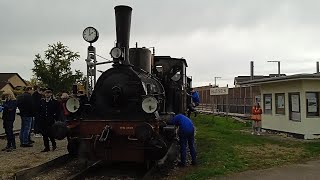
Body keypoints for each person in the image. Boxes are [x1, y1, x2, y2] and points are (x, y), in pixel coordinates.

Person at [38, 88, 61, 152]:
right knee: (44, 134)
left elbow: (58, 111)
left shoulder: (55, 102)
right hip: (43, 120)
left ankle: (54, 144)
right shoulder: (42, 101)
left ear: (51, 94)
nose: (47, 94)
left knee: (50, 133)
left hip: (51, 120)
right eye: (46, 93)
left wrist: (55, 117)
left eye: (48, 93)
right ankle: (47, 147)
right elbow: (40, 110)